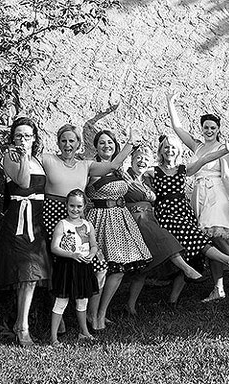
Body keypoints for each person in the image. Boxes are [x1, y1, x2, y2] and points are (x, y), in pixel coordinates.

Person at [39, 123, 134, 330]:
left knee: (97, 265)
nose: (67, 144)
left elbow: (113, 165)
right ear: (57, 142)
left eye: (72, 141)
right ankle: (59, 315)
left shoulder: (86, 165)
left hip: (77, 217)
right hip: (52, 215)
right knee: (55, 263)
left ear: (79, 144)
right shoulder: (48, 159)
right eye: (63, 140)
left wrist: (129, 144)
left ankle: (86, 312)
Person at [166, 93, 229, 301]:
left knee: (217, 232)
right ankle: (218, 287)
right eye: (206, 127)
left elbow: (227, 176)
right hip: (199, 194)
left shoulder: (223, 149)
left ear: (218, 129)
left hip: (216, 192)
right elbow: (178, 129)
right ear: (202, 129)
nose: (209, 131)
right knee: (208, 238)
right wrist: (170, 103)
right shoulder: (198, 146)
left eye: (213, 128)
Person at [149, 135, 229, 302]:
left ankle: (172, 300)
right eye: (166, 147)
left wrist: (226, 150)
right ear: (161, 151)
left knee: (190, 249)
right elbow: (135, 170)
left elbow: (206, 158)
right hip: (166, 214)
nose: (169, 150)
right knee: (194, 238)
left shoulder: (183, 169)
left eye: (172, 147)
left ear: (178, 151)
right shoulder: (153, 171)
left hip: (184, 213)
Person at [0, 117, 51, 346]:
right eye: (18, 135)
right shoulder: (10, 157)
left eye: (27, 135)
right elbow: (23, 183)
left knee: (31, 276)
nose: (23, 139)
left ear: (35, 137)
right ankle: (22, 327)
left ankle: (21, 324)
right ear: (13, 138)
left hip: (35, 223)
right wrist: (22, 156)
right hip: (17, 223)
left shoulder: (38, 161)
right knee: (25, 273)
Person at [124, 146, 208, 314]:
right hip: (136, 221)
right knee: (165, 240)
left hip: (151, 220)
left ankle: (130, 306)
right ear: (132, 159)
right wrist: (129, 144)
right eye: (138, 158)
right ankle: (187, 270)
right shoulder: (124, 177)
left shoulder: (148, 179)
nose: (142, 162)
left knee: (145, 267)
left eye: (146, 159)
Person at [85, 130, 153, 330]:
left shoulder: (119, 170)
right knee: (100, 271)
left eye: (110, 143)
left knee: (119, 271)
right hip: (100, 219)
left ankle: (102, 313)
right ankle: (91, 314)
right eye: (102, 143)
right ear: (96, 147)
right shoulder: (93, 167)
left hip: (120, 219)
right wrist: (130, 144)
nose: (107, 146)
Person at [49, 189, 98, 345]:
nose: (75, 209)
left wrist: (91, 254)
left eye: (79, 206)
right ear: (66, 205)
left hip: (83, 267)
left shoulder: (88, 225)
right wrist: (72, 255)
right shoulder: (62, 224)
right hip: (67, 267)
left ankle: (84, 331)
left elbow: (94, 245)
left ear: (84, 206)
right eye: (72, 206)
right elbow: (54, 248)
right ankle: (53, 337)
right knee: (61, 301)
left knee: (82, 300)